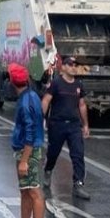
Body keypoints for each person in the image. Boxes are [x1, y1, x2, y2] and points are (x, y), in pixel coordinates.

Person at [2, 62, 46, 218]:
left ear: (12, 82)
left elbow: (30, 132)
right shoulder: (31, 96)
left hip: (28, 151)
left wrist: (24, 161)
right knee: (25, 190)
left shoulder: (26, 102)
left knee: (34, 191)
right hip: (26, 150)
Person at [42, 56, 91, 200]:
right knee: (53, 153)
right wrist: (40, 119)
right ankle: (48, 170)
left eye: (75, 65)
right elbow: (46, 100)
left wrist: (85, 124)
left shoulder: (78, 84)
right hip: (57, 124)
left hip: (74, 126)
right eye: (70, 64)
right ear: (63, 67)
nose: (73, 67)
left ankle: (78, 184)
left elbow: (81, 105)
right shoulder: (56, 83)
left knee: (78, 154)